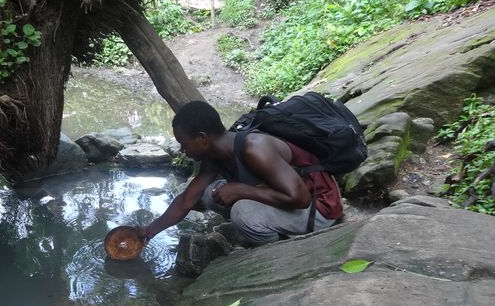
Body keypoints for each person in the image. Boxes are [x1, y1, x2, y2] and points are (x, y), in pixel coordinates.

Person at [137, 100, 343, 246]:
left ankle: (274, 249)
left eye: (184, 144)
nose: (183, 150)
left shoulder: (254, 148)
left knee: (241, 211)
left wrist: (241, 190)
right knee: (211, 193)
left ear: (202, 139)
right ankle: (263, 228)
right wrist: (149, 231)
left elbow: (301, 198)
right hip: (288, 200)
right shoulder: (214, 156)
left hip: (319, 211)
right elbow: (186, 200)